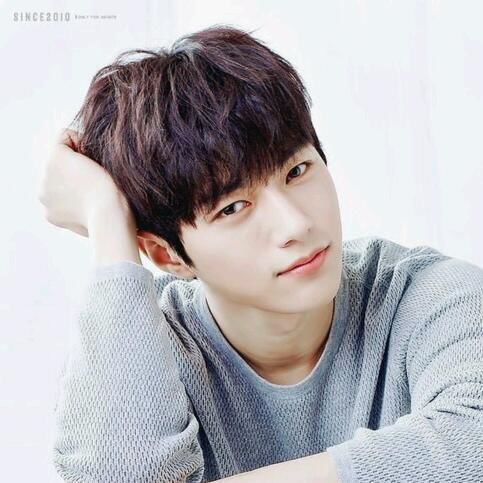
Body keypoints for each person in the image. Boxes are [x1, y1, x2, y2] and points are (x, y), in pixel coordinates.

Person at [38, 24, 483, 483]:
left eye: (297, 171)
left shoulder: (427, 295)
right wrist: (107, 220)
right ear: (167, 256)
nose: (295, 225)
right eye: (233, 208)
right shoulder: (140, 348)